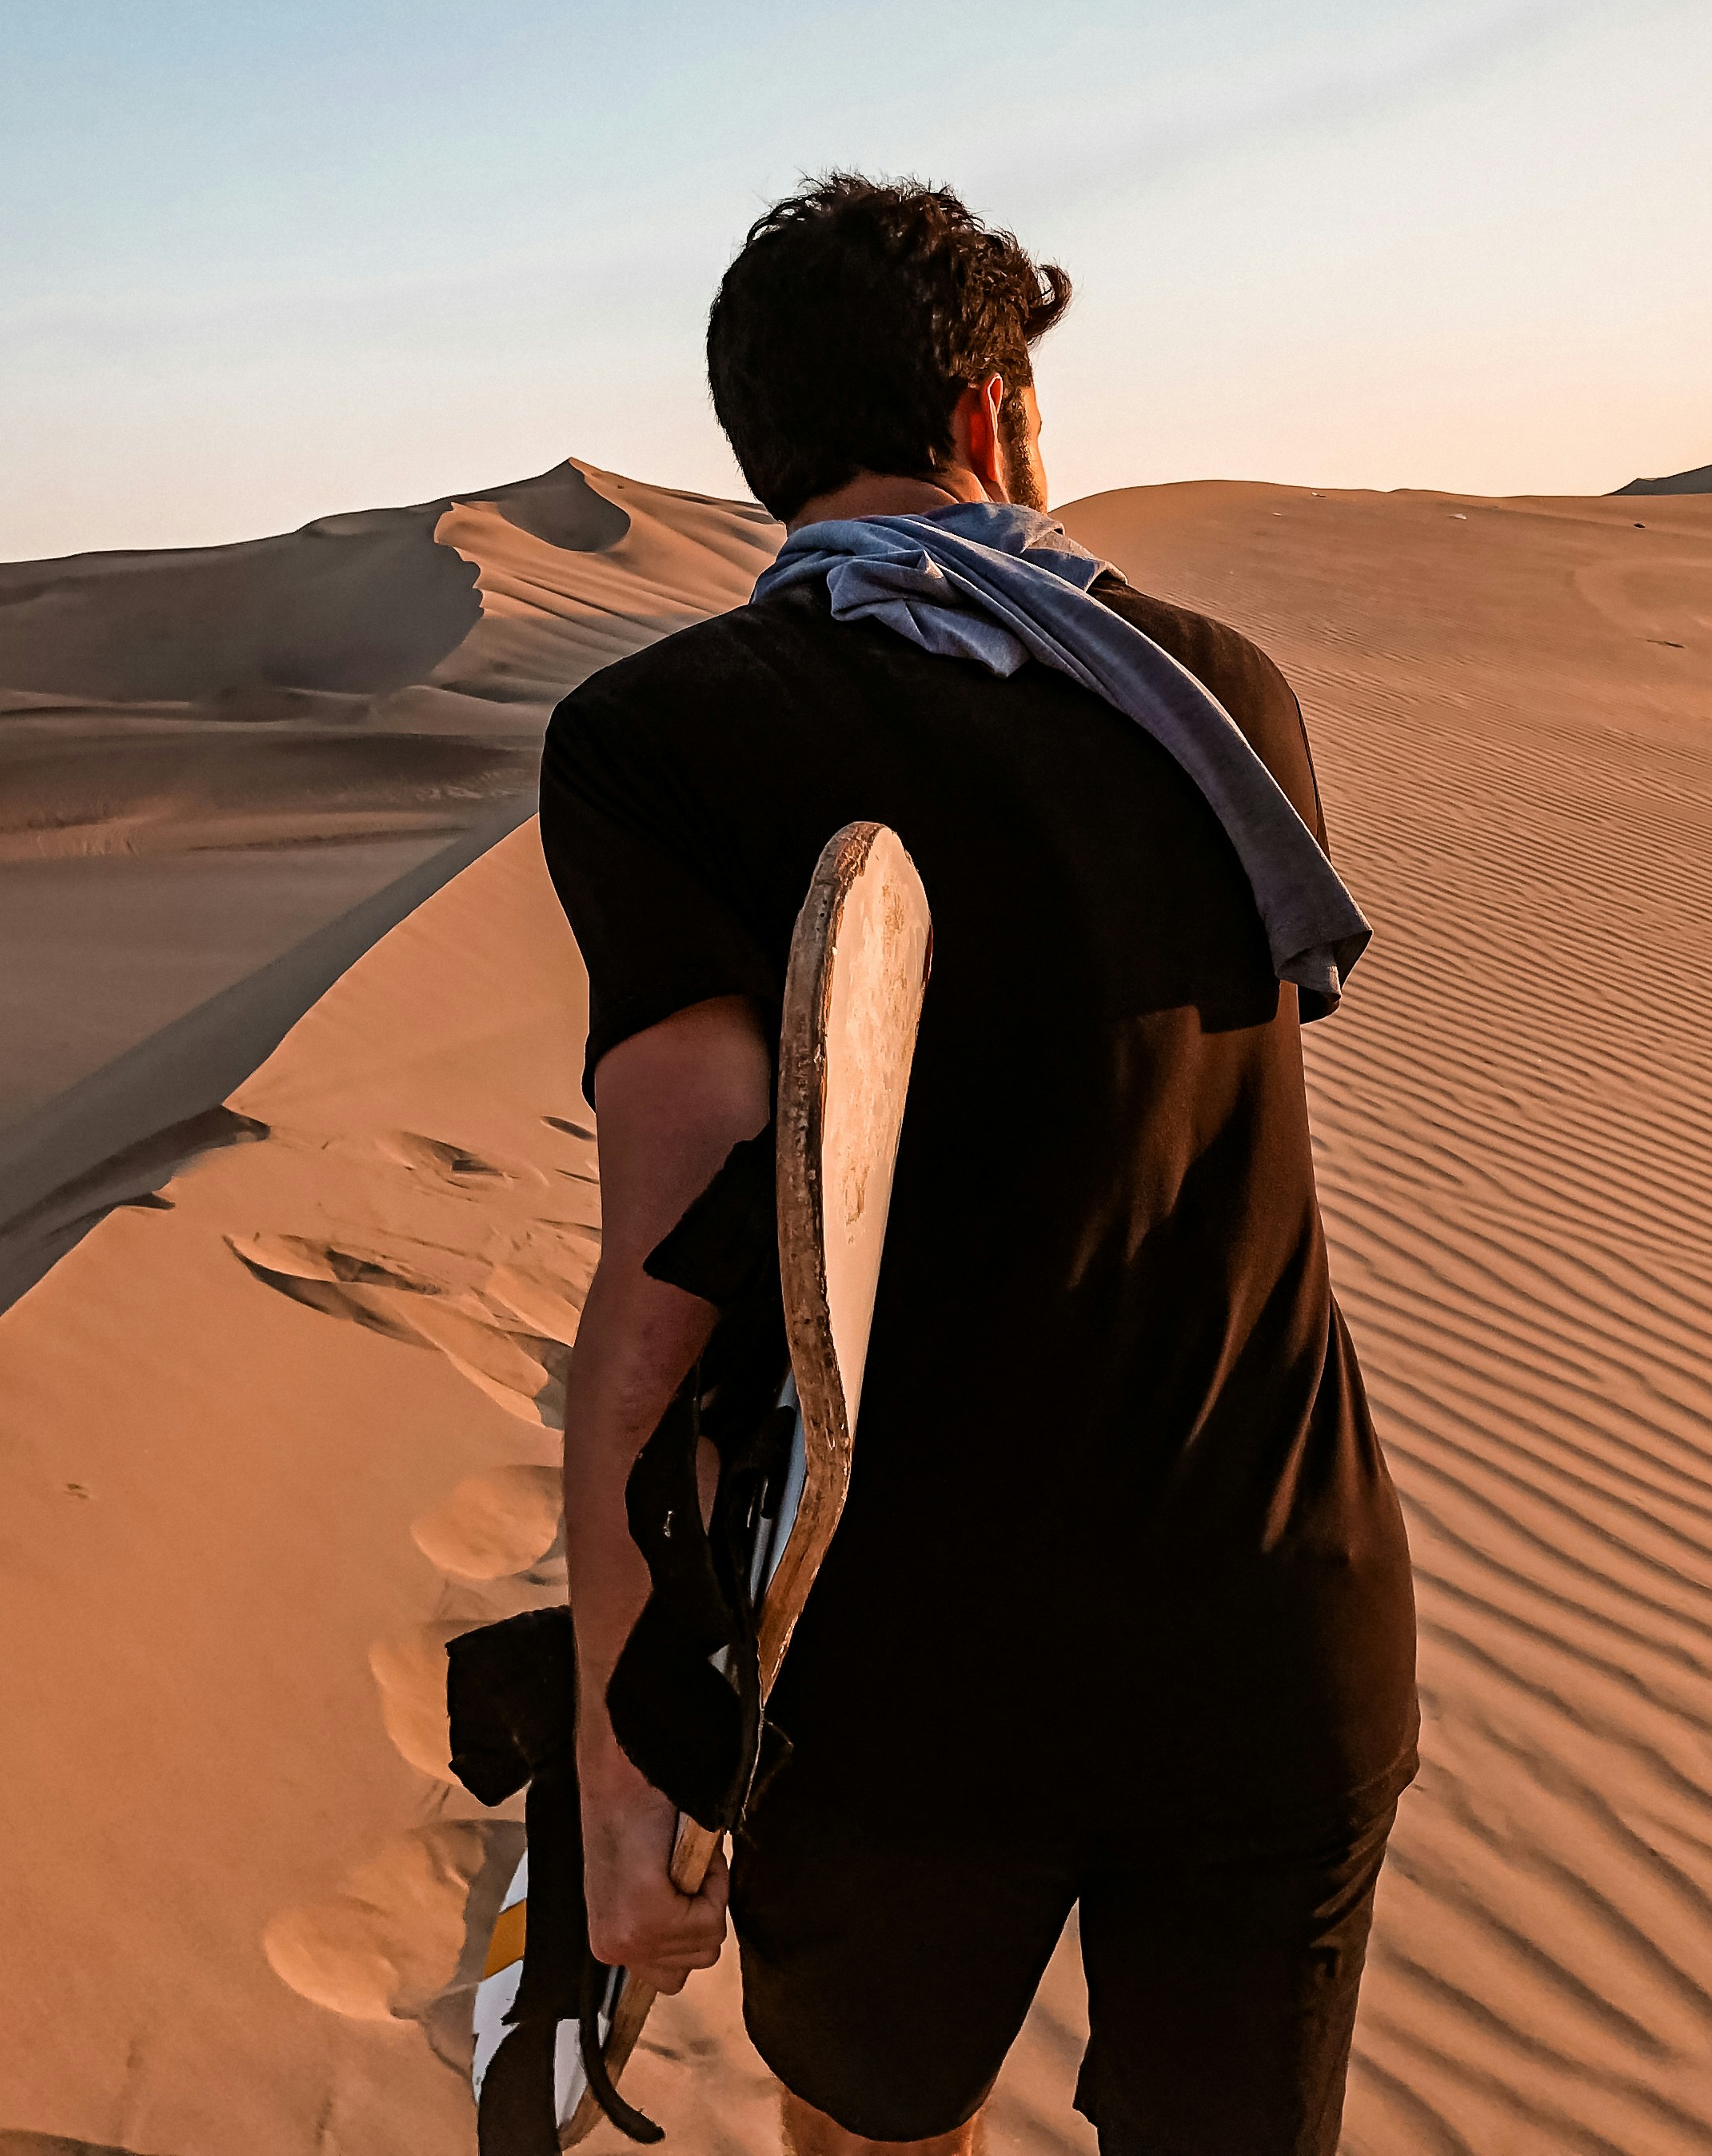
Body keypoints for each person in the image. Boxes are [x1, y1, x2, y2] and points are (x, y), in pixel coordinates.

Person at [538, 174, 1419, 2156]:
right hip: (1277, 1632)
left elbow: (668, 1295)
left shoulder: (660, 739)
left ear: (761, 455)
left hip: (904, 1691)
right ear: (1001, 417)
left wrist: (620, 1770)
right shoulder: (1219, 698)